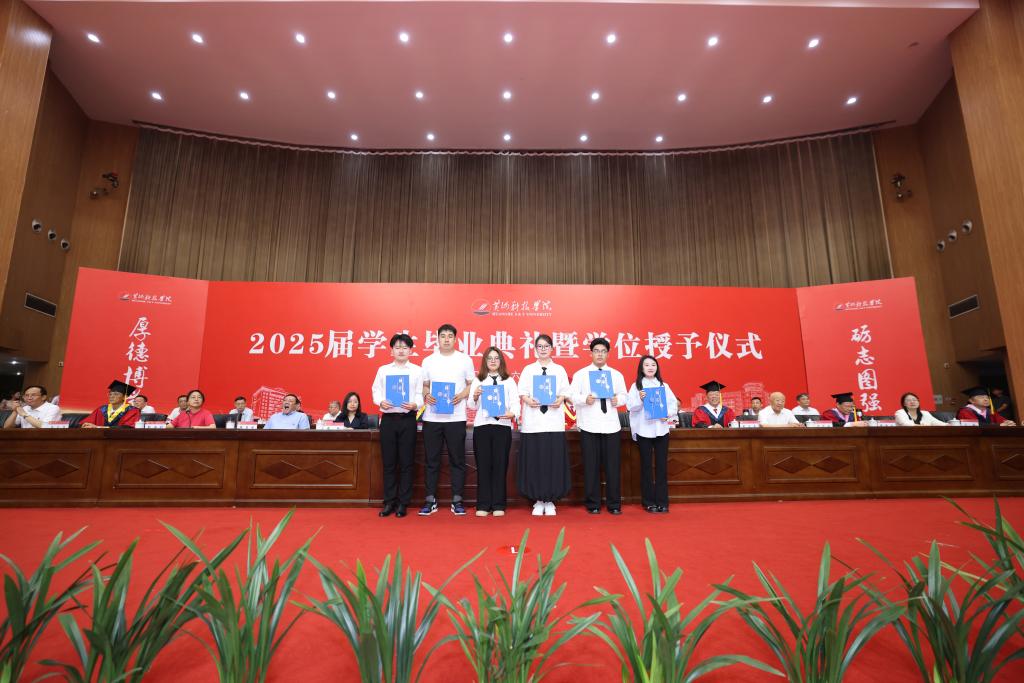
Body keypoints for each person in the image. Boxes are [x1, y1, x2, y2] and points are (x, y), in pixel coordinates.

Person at [420, 323, 476, 516]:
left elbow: (471, 384)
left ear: (455, 339)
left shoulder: (464, 360)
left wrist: (461, 395)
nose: (446, 339)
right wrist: (427, 395)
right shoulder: (428, 360)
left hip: (456, 417)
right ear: (437, 338)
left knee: (457, 460)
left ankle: (457, 500)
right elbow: (424, 385)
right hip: (432, 417)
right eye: (442, 336)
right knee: (431, 460)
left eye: (450, 336)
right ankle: (430, 500)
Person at [572, 337, 628, 515]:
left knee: (613, 467)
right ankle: (593, 503)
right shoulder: (581, 374)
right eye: (596, 351)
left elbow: (624, 395)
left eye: (603, 351)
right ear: (591, 353)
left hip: (611, 426)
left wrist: (618, 400)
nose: (600, 354)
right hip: (589, 425)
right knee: (591, 466)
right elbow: (572, 396)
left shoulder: (616, 375)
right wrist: (584, 399)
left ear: (608, 354)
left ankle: (614, 504)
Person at [517, 334, 571, 517]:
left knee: (553, 462)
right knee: (535, 462)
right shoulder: (528, 370)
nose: (543, 349)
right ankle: (538, 500)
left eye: (546, 346)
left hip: (554, 423)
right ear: (535, 349)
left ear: (552, 348)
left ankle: (550, 500)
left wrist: (560, 399)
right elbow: (522, 392)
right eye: (539, 346)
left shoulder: (559, 370)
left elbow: (565, 392)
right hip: (533, 423)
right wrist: (528, 400)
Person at [372, 333, 423, 518]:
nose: (401, 351)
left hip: (408, 419)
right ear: (391, 351)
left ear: (411, 351)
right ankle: (389, 502)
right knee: (389, 463)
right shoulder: (383, 370)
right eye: (397, 347)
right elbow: (376, 390)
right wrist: (380, 401)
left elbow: (420, 394)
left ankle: (403, 503)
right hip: (388, 420)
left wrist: (415, 404)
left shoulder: (417, 371)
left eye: (405, 348)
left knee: (407, 463)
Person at [467, 347, 520, 517]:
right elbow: (471, 405)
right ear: (485, 361)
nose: (493, 361)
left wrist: (512, 413)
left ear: (501, 361)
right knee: (483, 466)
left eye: (496, 358)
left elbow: (516, 403)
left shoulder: (509, 381)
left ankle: (498, 504)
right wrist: (475, 396)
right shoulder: (479, 380)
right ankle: (483, 504)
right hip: (482, 427)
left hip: (502, 427)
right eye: (489, 358)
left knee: (500, 465)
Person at [626, 356, 679, 513]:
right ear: (641, 368)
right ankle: (648, 502)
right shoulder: (636, 386)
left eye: (653, 365)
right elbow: (630, 407)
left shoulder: (663, 385)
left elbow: (673, 405)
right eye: (646, 365)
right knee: (646, 467)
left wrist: (667, 414)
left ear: (657, 368)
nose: (650, 367)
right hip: (644, 431)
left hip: (661, 430)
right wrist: (640, 400)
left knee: (662, 467)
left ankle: (662, 502)